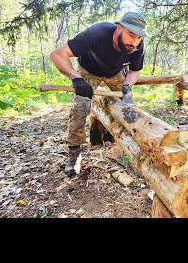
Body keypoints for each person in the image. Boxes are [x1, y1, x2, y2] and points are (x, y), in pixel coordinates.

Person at [50, 12, 149, 177]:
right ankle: (74, 153)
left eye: (138, 37)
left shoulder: (138, 45)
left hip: (115, 73)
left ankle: (128, 145)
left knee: (128, 106)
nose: (134, 42)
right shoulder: (97, 33)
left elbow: (134, 71)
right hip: (88, 70)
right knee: (80, 107)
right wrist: (76, 78)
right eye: (130, 35)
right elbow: (57, 54)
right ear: (119, 28)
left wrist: (127, 86)